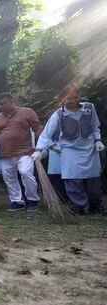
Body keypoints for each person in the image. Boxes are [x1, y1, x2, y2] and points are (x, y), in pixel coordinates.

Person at [34, 84, 105, 215]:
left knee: (93, 179)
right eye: (69, 98)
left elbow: (95, 127)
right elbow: (46, 133)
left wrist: (98, 140)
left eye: (75, 97)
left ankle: (96, 205)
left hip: (89, 149)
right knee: (73, 179)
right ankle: (78, 206)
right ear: (63, 98)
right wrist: (38, 150)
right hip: (70, 150)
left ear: (79, 95)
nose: (73, 101)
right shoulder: (59, 114)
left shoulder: (89, 108)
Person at [0, 92, 43, 212]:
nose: (0, 106)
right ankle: (17, 201)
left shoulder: (27, 112)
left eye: (3, 103)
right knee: (9, 178)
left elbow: (38, 129)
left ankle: (32, 200)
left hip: (25, 151)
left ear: (12, 101)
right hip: (5, 153)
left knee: (26, 173)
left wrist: (40, 147)